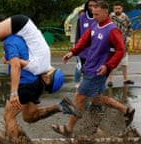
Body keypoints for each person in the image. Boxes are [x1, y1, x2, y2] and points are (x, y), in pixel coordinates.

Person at [51, 1, 135, 137]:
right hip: (90, 67)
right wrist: (73, 52)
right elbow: (84, 40)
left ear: (105, 13)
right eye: (93, 14)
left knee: (78, 98)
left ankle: (68, 128)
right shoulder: (95, 25)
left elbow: (121, 50)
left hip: (98, 71)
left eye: (97, 14)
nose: (93, 16)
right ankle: (126, 110)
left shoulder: (111, 30)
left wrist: (108, 66)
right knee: (97, 99)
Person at [1, 34, 82, 140]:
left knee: (9, 116)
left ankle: (15, 142)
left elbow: (15, 61)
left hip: (26, 83)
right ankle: (60, 106)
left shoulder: (13, 41)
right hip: (36, 84)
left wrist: (7, 60)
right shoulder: (28, 39)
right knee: (29, 117)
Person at [0, 0, 52, 76]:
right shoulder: (38, 69)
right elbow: (17, 63)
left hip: (23, 23)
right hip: (20, 24)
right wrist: (7, 61)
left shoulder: (47, 63)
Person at [107, 1, 134, 87]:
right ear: (113, 9)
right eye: (115, 8)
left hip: (124, 44)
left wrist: (128, 37)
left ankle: (125, 79)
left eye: (119, 8)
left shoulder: (126, 18)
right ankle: (110, 80)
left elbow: (130, 28)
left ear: (122, 9)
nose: (117, 10)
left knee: (124, 62)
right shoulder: (110, 18)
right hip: (113, 44)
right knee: (111, 62)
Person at [74, 0, 97, 89]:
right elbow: (78, 32)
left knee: (91, 68)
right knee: (79, 67)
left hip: (94, 49)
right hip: (83, 48)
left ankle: (89, 84)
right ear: (87, 6)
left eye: (94, 5)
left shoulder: (98, 17)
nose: (92, 7)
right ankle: (77, 83)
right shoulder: (82, 17)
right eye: (90, 5)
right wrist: (77, 46)